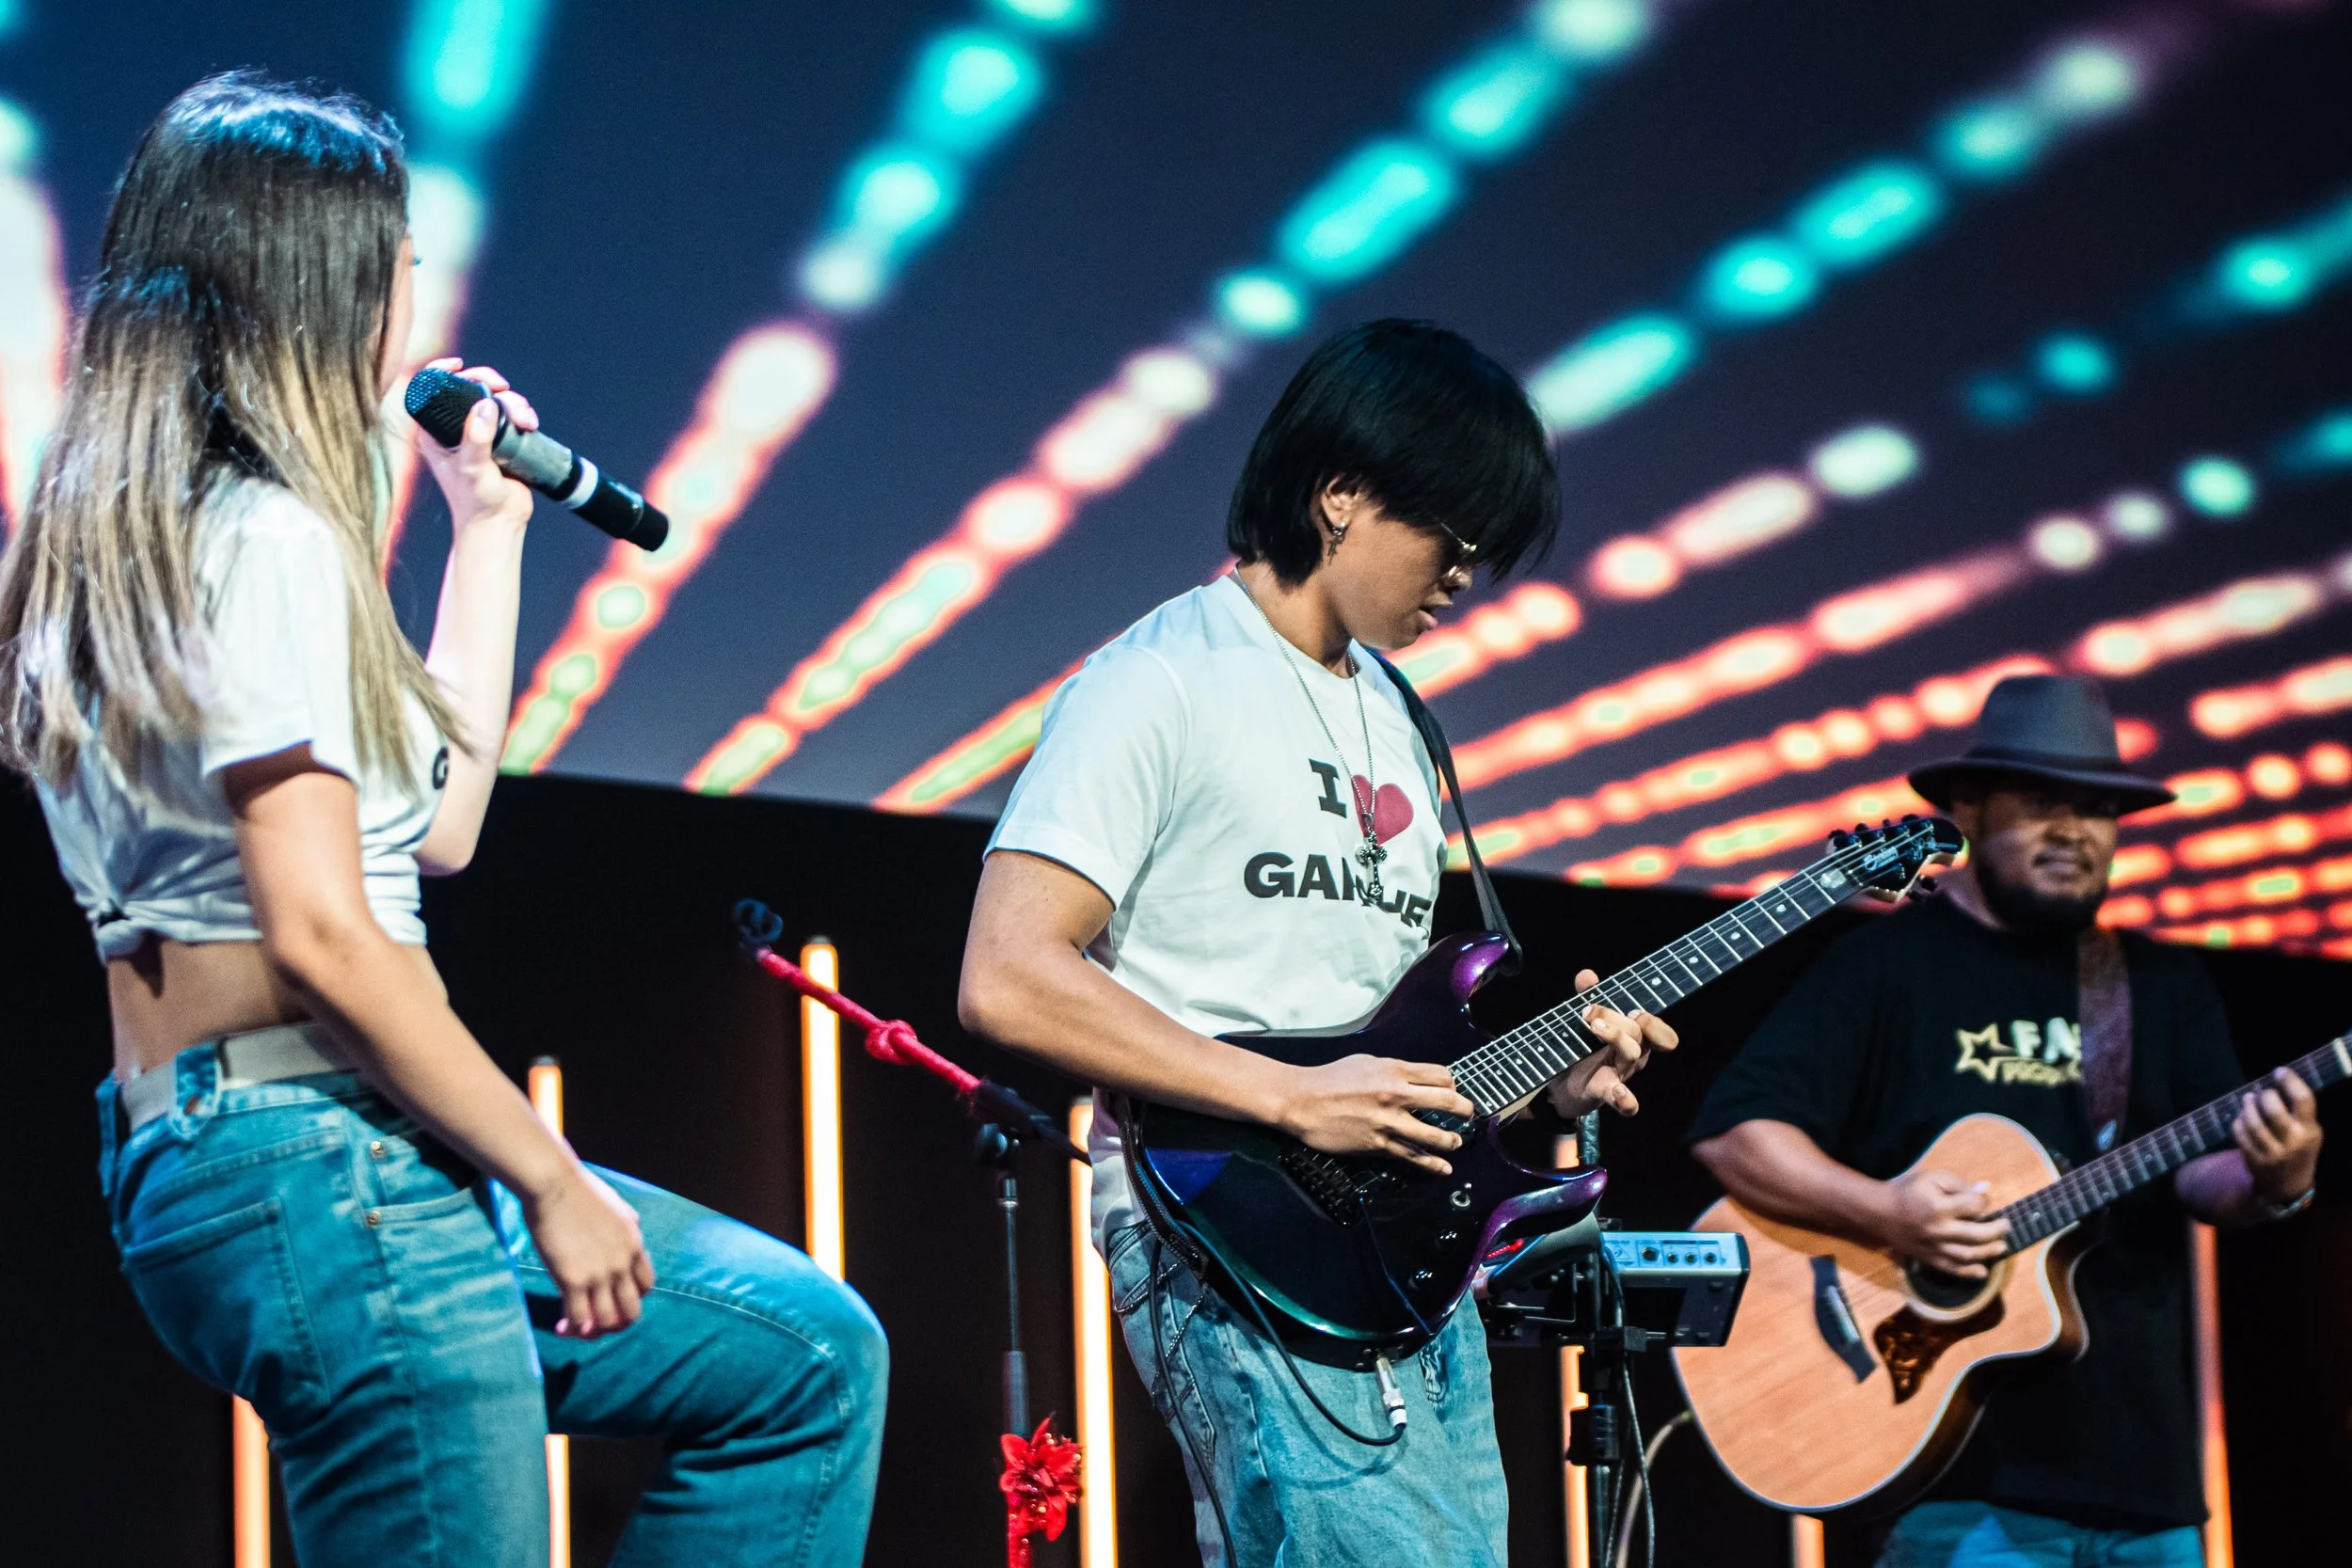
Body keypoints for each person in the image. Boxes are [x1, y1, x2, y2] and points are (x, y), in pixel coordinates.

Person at [0, 75, 884, 1567]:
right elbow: (331, 934)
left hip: (227, 1155)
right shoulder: (265, 539)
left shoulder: (139, 544)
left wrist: (487, 533)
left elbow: (441, 827)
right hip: (321, 1154)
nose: (415, 294)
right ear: (316, 280)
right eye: (396, 258)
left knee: (807, 1356)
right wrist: (548, 1176)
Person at [959, 319, 1677, 1565]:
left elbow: (1382, 1029)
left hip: (1403, 1240)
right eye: (1449, 533)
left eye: (1482, 551)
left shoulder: (1403, 720)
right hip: (1228, 1219)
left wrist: (1548, 1079)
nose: (1464, 573)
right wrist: (1290, 1099)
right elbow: (1009, 973)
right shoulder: (1162, 676)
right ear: (1339, 492)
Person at [1687, 674, 2324, 1568]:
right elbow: (1737, 1132)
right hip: (1951, 1476)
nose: (2074, 829)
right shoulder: (1883, 964)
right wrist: (1889, 1214)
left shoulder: (2157, 982)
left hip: (2145, 1481)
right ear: (1971, 809)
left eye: (2098, 809)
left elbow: (2208, 1177)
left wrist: (2279, 1177)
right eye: (2042, 802)